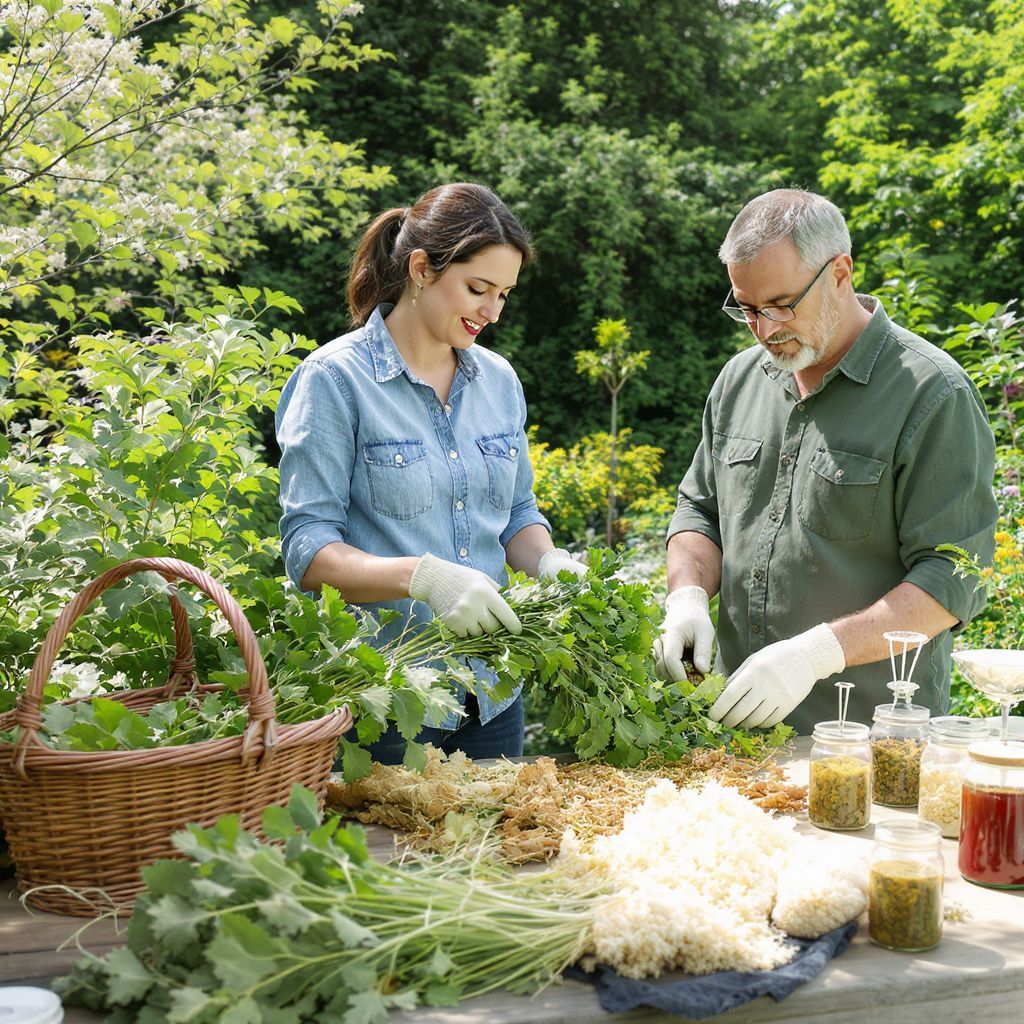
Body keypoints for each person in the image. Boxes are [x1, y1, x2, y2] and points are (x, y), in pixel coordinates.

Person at [654, 188, 997, 734]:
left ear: (840, 272)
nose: (764, 329)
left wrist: (814, 654)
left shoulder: (932, 394)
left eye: (782, 305)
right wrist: (689, 596)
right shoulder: (740, 380)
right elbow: (700, 511)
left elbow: (951, 578)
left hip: (875, 741)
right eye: (747, 309)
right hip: (735, 734)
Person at [276, 182, 585, 761]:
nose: (492, 312)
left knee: (496, 850)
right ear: (420, 268)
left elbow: (516, 515)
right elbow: (309, 551)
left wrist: (548, 561)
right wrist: (424, 578)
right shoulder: (335, 381)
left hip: (492, 693)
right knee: (398, 853)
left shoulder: (498, 381)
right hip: (387, 700)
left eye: (505, 294)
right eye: (477, 289)